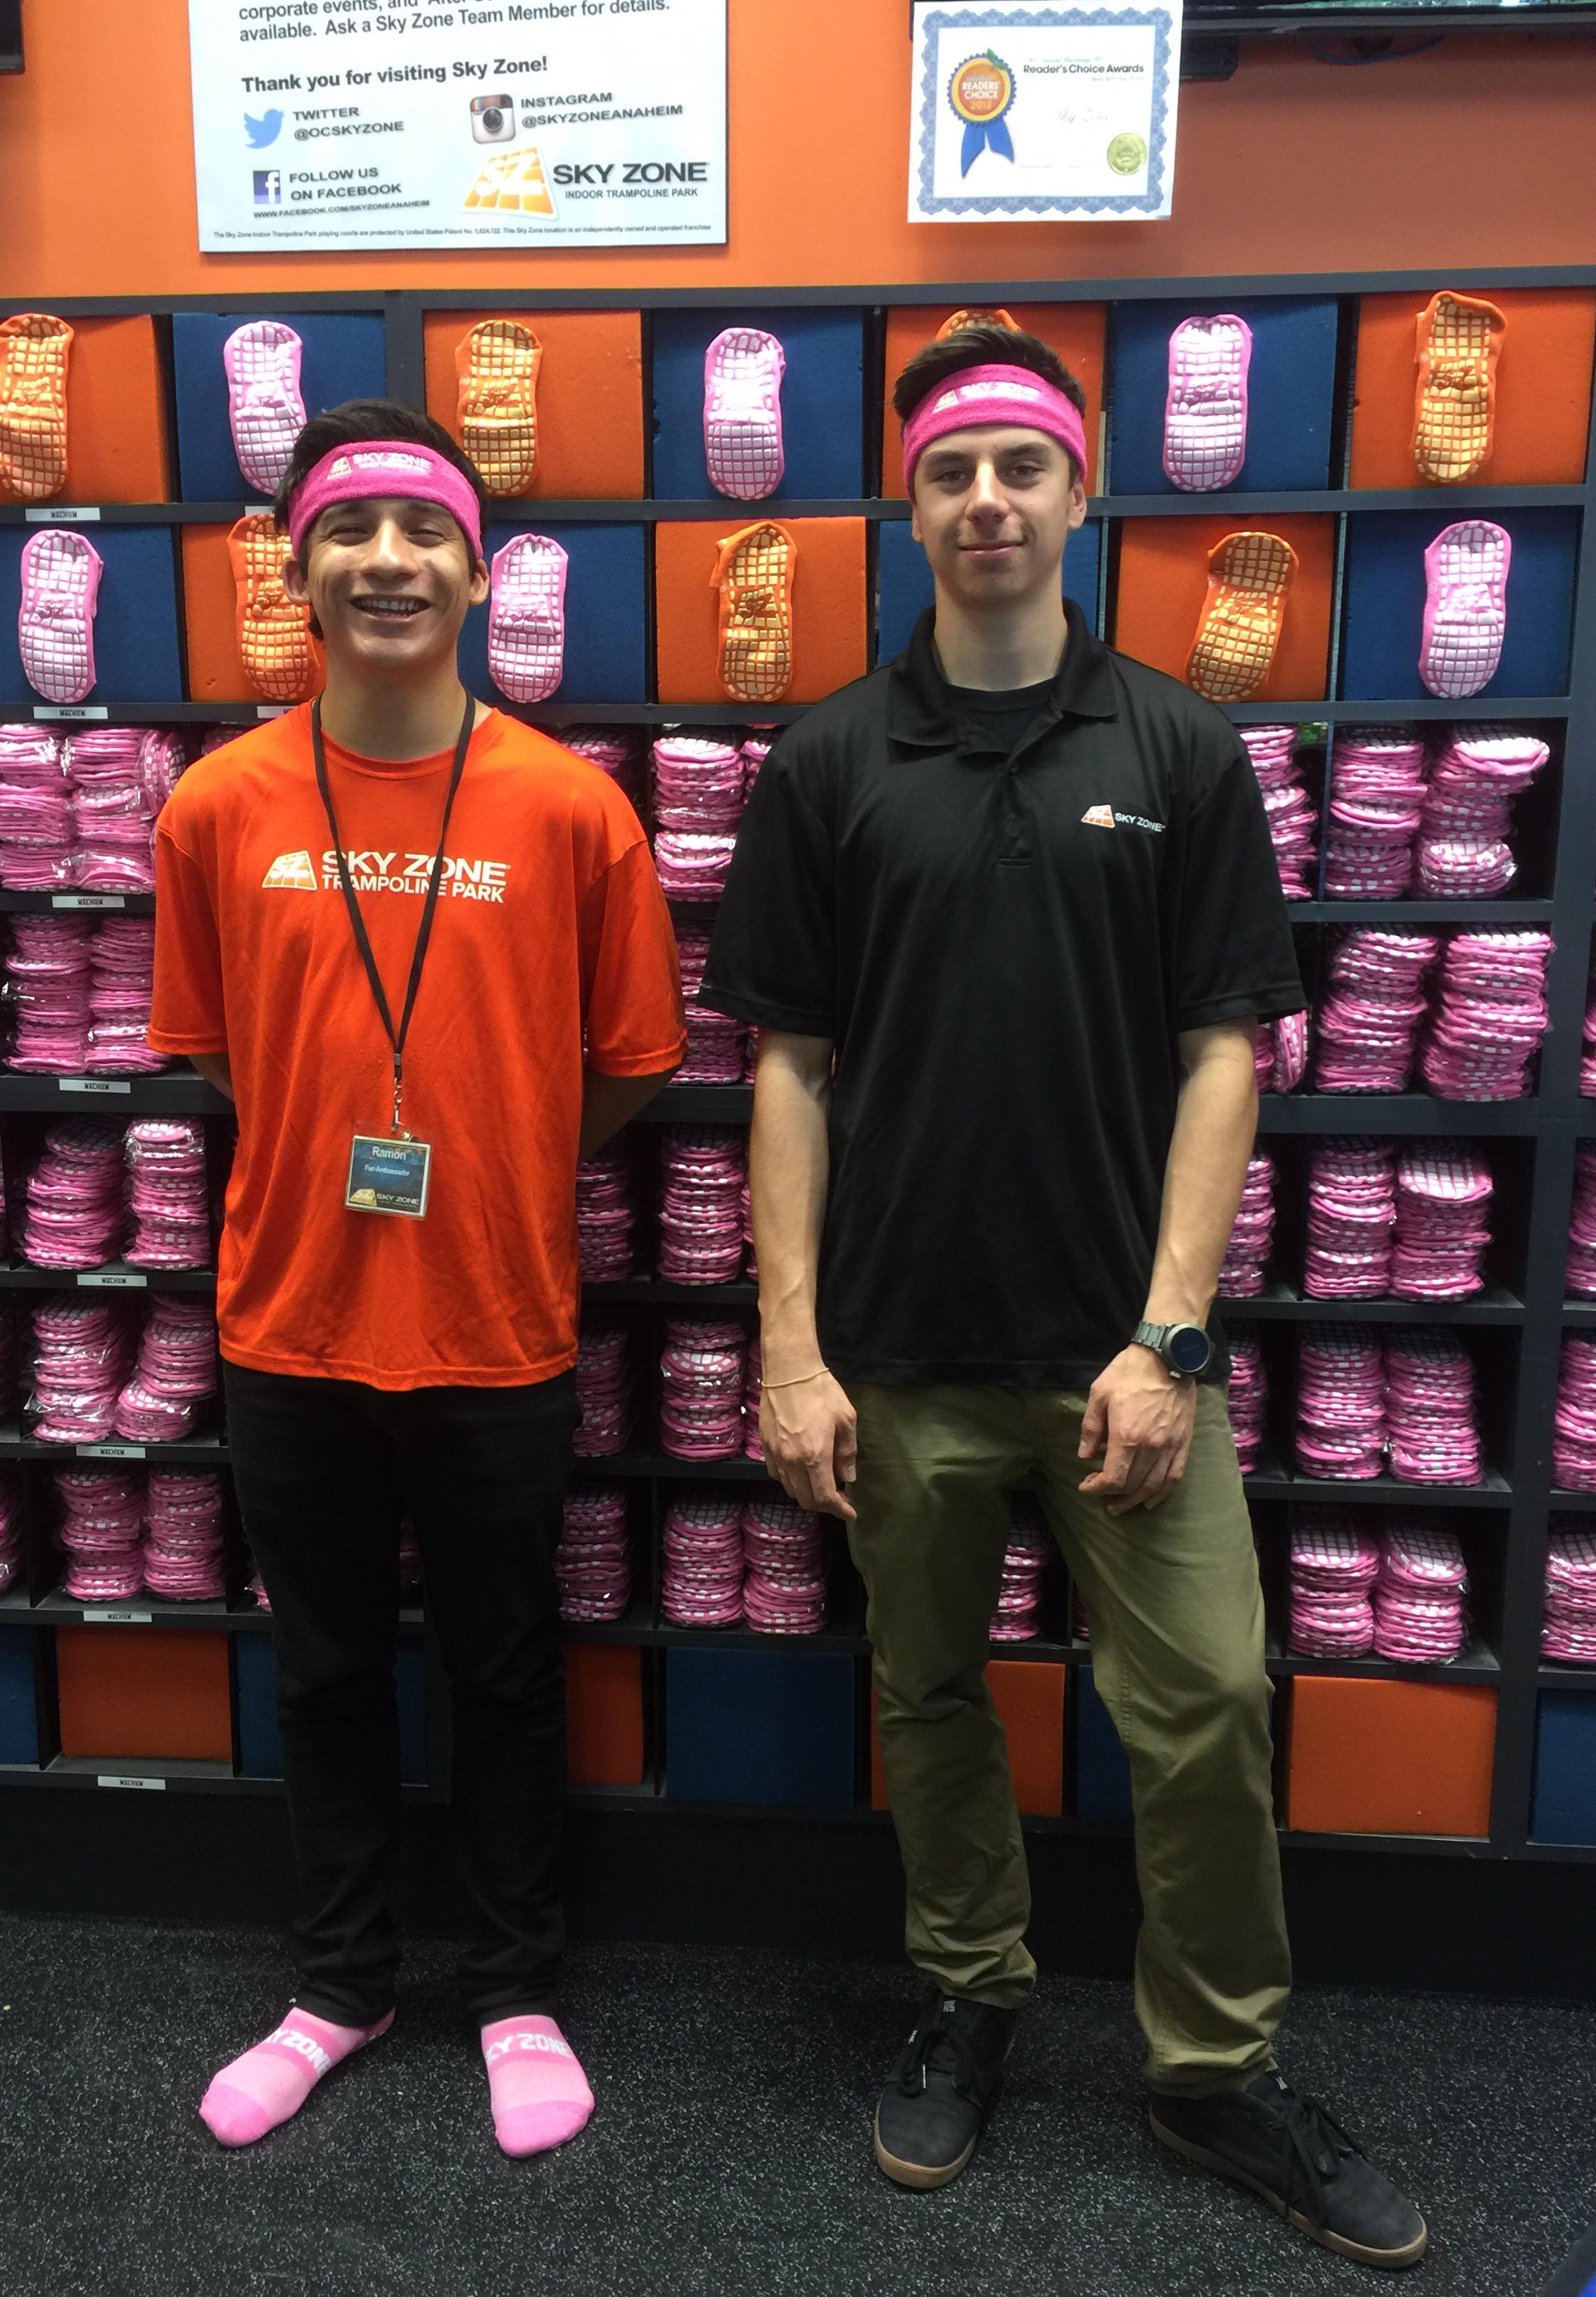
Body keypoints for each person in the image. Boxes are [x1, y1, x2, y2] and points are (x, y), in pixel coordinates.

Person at [700, 325, 1427, 2270]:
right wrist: (790, 1351)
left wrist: (1171, 1336)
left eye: (1022, 467)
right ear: (909, 507)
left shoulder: (1178, 748)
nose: (988, 502)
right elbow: (786, 1068)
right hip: (904, 1353)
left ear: (1082, 493)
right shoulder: (830, 760)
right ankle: (972, 1992)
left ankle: (1215, 2066)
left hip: (1129, 1354)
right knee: (928, 1694)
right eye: (952, 472)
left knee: (1206, 1705)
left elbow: (1226, 1052)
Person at [148, 400, 684, 2160]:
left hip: (494, 1319)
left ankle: (515, 1984)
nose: (388, 559)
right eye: (349, 530)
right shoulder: (219, 805)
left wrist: (503, 1150)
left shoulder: (572, 809)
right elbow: (218, 1054)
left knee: (505, 1667)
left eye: (424, 529)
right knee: (321, 1673)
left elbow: (629, 1064)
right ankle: (339, 1985)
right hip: (292, 1321)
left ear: (479, 568)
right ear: (295, 571)